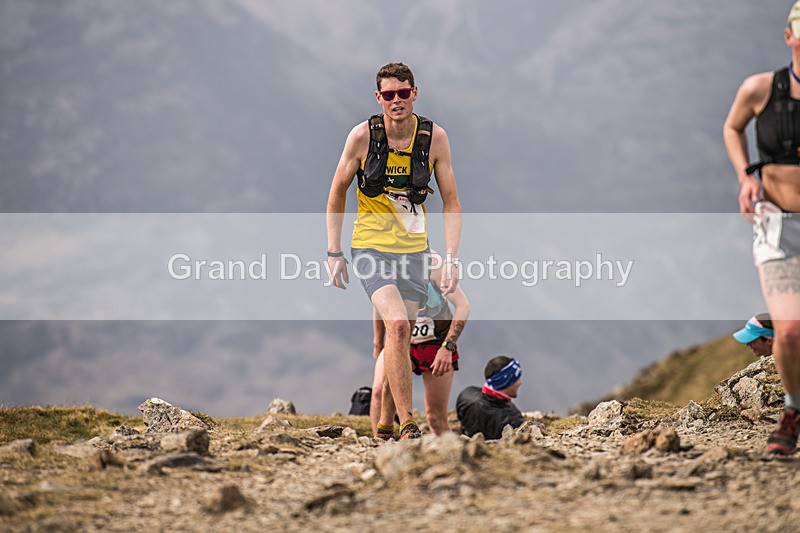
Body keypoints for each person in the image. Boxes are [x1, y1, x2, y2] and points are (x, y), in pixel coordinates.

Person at [327, 62, 463, 440]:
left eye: (404, 93)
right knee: (399, 326)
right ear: (379, 98)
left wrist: (450, 257)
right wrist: (334, 251)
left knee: (397, 340)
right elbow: (337, 192)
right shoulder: (361, 137)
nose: (397, 100)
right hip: (370, 247)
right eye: (389, 95)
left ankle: (385, 426)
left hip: (415, 251)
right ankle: (407, 424)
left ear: (415, 92)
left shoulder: (435, 139)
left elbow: (451, 201)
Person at [723, 1, 800, 455]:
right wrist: (745, 177)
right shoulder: (760, 89)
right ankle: (792, 411)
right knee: (788, 331)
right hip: (777, 225)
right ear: (789, 37)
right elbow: (733, 128)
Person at [370, 251, 471, 438]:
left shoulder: (433, 264)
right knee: (377, 393)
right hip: (400, 342)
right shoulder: (382, 257)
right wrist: (378, 341)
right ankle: (380, 447)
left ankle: (450, 458)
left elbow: (463, 306)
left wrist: (447, 347)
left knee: (435, 418)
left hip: (435, 343)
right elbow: (379, 304)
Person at [456, 356, 524, 440]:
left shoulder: (467, 394)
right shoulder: (511, 421)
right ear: (506, 382)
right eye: (516, 378)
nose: (520, 382)